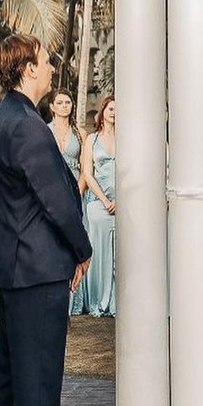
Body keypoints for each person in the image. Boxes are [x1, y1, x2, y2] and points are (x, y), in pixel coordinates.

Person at [0, 33, 110, 406]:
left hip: (14, 268)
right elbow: (55, 197)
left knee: (10, 375)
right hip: (36, 269)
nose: (53, 67)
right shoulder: (28, 125)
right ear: (29, 69)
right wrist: (82, 248)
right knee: (37, 379)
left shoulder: (4, 117)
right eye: (47, 61)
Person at [48, 91, 88, 314]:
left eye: (68, 102)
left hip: (76, 191)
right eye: (60, 103)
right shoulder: (44, 130)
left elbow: (85, 168)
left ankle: (76, 296)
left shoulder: (80, 133)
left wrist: (77, 194)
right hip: (51, 191)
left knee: (75, 240)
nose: (64, 106)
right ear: (52, 106)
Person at [79, 97, 116, 317]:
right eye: (111, 108)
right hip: (98, 203)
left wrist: (120, 200)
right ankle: (98, 300)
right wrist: (105, 200)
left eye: (118, 109)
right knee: (99, 251)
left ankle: (118, 301)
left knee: (120, 252)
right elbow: (87, 173)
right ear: (102, 112)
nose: (114, 113)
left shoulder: (127, 138)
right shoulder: (92, 140)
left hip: (123, 203)